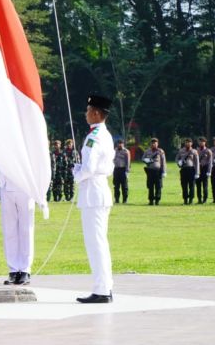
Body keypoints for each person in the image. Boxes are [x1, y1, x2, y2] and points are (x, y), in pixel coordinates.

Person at [73, 95, 116, 304]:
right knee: (99, 242)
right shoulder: (105, 135)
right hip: (99, 191)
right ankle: (105, 286)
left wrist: (76, 173)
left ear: (97, 113)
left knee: (96, 243)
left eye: (89, 110)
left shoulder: (94, 137)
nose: (86, 113)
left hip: (93, 193)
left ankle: (102, 290)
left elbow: (88, 168)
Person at [0, 174, 35, 286]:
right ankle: (13, 270)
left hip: (25, 186)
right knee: (9, 230)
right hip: (6, 185)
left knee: (26, 230)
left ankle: (25, 270)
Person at [176, 138, 200, 205]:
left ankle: (191, 200)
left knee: (191, 186)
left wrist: (197, 173)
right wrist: (178, 162)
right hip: (183, 170)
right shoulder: (181, 151)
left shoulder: (194, 151)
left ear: (191, 143)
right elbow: (177, 158)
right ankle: (185, 200)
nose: (188, 143)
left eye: (189, 142)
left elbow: (197, 162)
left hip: (191, 170)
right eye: (186, 142)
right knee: (184, 185)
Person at [143, 138, 166, 205]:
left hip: (158, 171)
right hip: (150, 171)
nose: (153, 144)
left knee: (158, 186)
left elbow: (163, 162)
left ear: (157, 144)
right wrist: (146, 160)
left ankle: (157, 200)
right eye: (152, 143)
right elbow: (143, 158)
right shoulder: (147, 151)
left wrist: (164, 171)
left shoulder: (160, 151)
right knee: (150, 186)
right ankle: (151, 200)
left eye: (155, 143)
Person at [112, 139, 130, 204]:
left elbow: (128, 162)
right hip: (116, 170)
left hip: (123, 170)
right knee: (116, 185)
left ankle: (125, 200)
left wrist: (127, 171)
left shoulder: (126, 151)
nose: (120, 145)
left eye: (121, 143)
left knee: (124, 186)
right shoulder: (114, 151)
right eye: (119, 143)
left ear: (123, 144)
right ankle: (116, 199)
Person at [196, 137, 213, 204]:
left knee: (205, 185)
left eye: (202, 141)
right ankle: (199, 199)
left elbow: (210, 162)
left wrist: (209, 171)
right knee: (198, 185)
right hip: (198, 169)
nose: (201, 143)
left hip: (205, 169)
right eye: (200, 141)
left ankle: (205, 199)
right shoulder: (196, 150)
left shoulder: (208, 151)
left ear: (205, 142)